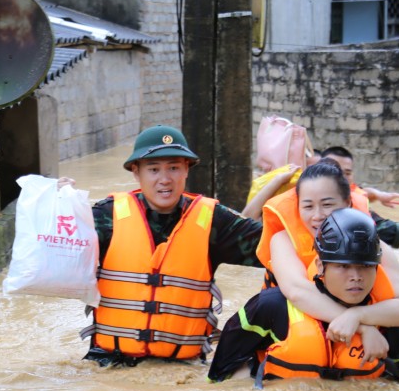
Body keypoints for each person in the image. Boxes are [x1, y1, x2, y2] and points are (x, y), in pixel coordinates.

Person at [70, 125, 264, 367]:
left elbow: (274, 248)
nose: (165, 179)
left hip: (182, 367)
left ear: (186, 170)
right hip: (109, 363)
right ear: (136, 172)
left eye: (174, 168)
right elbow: (56, 259)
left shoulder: (214, 221)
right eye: (153, 170)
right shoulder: (105, 216)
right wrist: (59, 204)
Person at [208, 208, 399, 386]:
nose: (356, 277)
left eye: (365, 266)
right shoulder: (270, 308)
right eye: (343, 266)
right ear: (321, 266)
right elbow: (219, 375)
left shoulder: (391, 325)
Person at [255, 160, 399, 368]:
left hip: (354, 332)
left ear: (348, 203)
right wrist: (364, 328)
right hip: (297, 334)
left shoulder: (376, 245)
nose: (317, 216)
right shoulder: (283, 240)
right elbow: (296, 291)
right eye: (308, 206)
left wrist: (358, 315)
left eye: (328, 204)